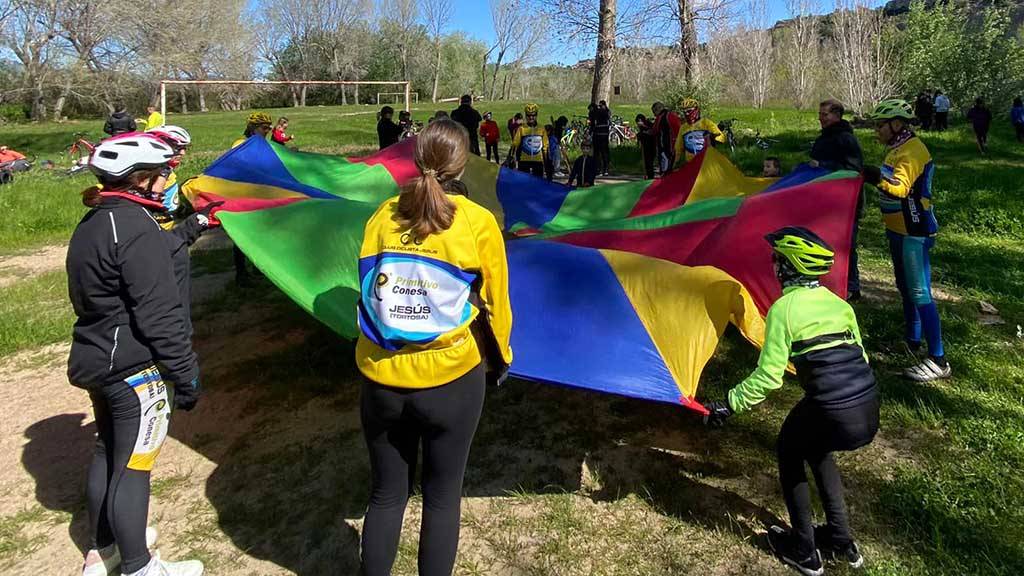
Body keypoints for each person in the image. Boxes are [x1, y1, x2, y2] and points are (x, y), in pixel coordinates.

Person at [356, 118, 512, 576]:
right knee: (442, 498)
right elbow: (496, 306)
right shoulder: (479, 223)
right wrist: (501, 358)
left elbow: (367, 286)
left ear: (415, 157)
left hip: (381, 379)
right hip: (451, 381)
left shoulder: (381, 215)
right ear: (463, 163)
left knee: (386, 495)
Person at [703, 227, 878, 576]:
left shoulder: (784, 309)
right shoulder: (840, 305)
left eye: (778, 261)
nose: (774, 266)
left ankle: (804, 550)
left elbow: (769, 376)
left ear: (790, 267)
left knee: (789, 449)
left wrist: (729, 403)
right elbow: (860, 355)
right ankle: (841, 540)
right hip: (868, 403)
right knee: (816, 448)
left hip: (831, 406)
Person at [68, 133, 204, 576]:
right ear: (141, 180)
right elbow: (161, 314)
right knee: (134, 465)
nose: (168, 179)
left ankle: (102, 550)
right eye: (162, 173)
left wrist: (192, 227)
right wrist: (185, 375)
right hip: (132, 371)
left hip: (97, 361)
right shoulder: (135, 229)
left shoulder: (96, 222)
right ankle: (139, 567)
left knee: (108, 451)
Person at [862, 99, 951, 382]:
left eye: (880, 125)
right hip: (897, 229)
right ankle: (912, 341)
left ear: (897, 124)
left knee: (920, 291)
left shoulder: (912, 150)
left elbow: (900, 188)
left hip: (915, 230)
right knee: (904, 287)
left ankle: (938, 359)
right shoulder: (896, 148)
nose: (876, 130)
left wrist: (872, 176)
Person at [808, 98, 865, 301]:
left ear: (837, 115)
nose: (820, 118)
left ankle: (851, 287)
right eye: (820, 114)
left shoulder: (844, 139)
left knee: (846, 244)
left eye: (825, 114)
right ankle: (832, 282)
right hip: (826, 202)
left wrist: (822, 164)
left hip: (844, 204)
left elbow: (853, 170)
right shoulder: (826, 137)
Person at [231, 112, 273, 285]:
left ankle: (257, 268)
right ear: (253, 128)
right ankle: (241, 274)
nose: (268, 131)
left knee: (260, 233)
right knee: (241, 235)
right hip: (243, 195)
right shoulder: (240, 144)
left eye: (269, 128)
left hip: (259, 194)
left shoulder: (262, 142)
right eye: (264, 128)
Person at [673, 98, 726, 167]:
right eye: (684, 112)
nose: (687, 114)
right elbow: (678, 147)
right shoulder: (683, 128)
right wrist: (675, 163)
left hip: (706, 162)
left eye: (689, 111)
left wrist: (715, 137)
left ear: (696, 110)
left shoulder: (706, 123)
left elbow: (722, 137)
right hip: (691, 163)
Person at [509, 103, 548, 178]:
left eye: (533, 115)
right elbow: (515, 144)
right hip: (524, 160)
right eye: (528, 115)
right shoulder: (521, 128)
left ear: (536, 115)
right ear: (526, 116)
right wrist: (511, 158)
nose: (531, 117)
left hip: (538, 161)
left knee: (538, 184)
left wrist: (547, 162)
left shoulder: (542, 128)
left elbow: (545, 147)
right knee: (524, 184)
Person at [649, 101, 681, 175]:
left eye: (654, 112)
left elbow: (655, 130)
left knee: (665, 169)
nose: (654, 115)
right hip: (673, 144)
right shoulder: (672, 115)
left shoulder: (662, 117)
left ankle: (665, 182)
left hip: (666, 146)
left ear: (658, 109)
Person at [589, 100, 612, 175]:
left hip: (597, 135)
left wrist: (590, 133)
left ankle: (598, 169)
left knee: (597, 153)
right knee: (604, 152)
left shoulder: (595, 113)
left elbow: (592, 125)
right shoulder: (606, 112)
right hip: (605, 135)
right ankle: (605, 169)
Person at [635, 114, 656, 179]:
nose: (638, 124)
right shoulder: (641, 127)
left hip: (651, 146)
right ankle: (648, 175)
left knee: (649, 162)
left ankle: (650, 176)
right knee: (647, 162)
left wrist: (644, 130)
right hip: (645, 146)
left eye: (638, 122)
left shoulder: (648, 124)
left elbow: (652, 132)